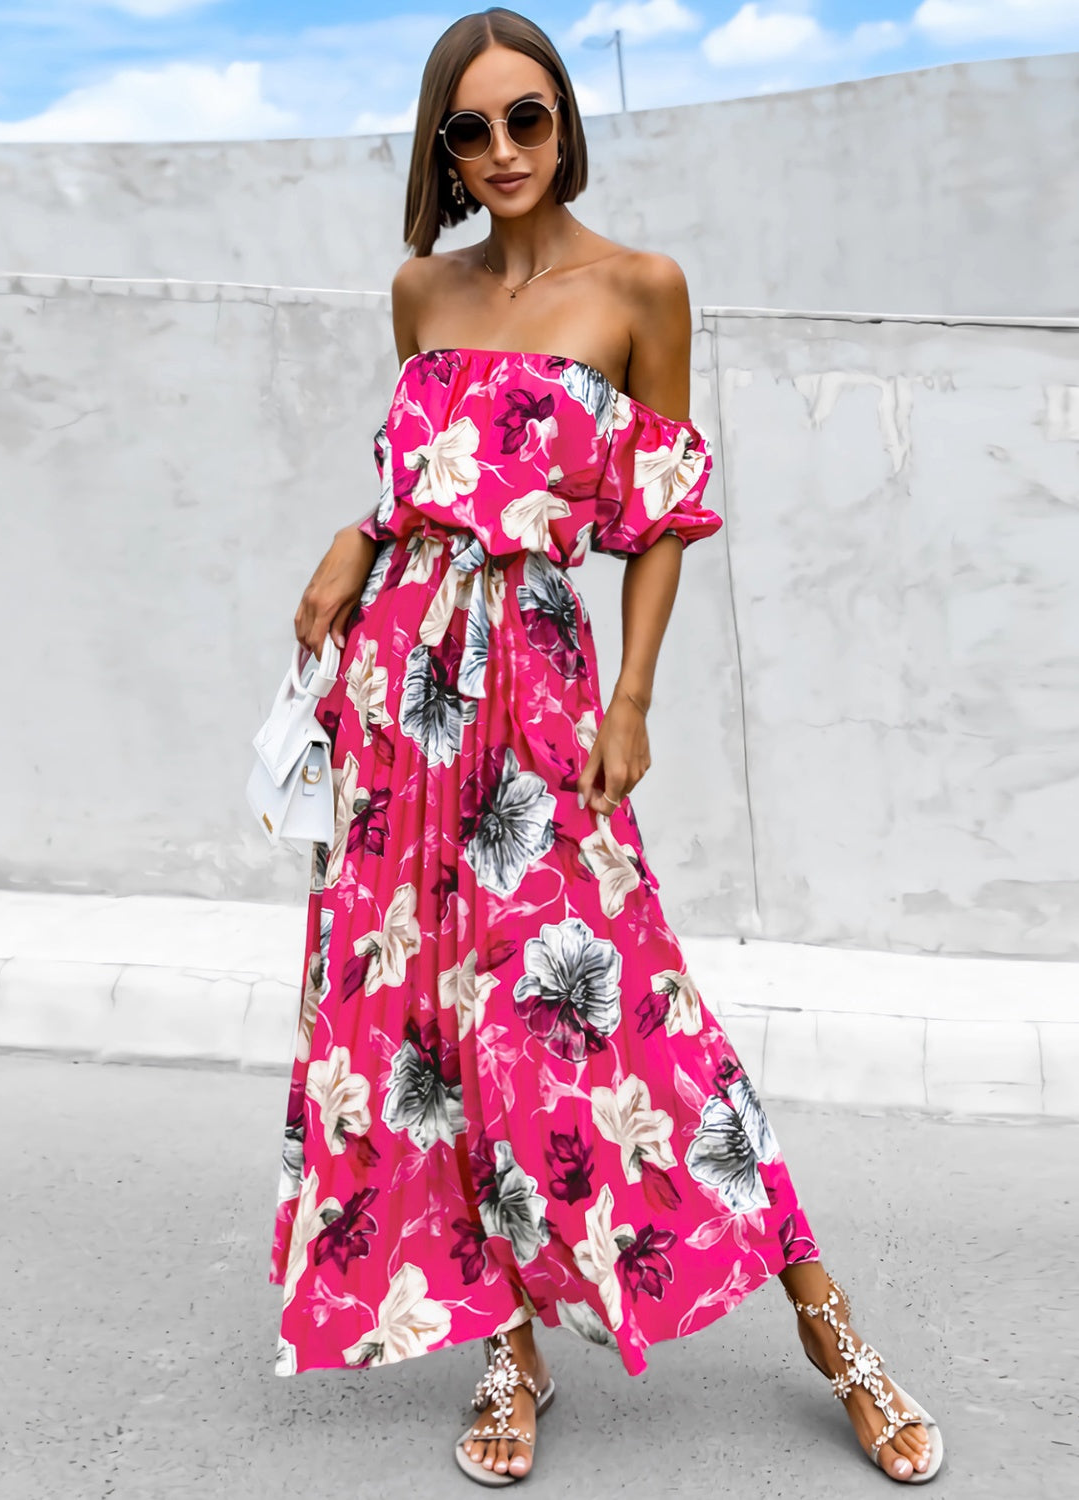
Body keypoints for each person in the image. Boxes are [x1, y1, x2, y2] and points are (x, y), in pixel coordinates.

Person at [270, 6, 942, 1488]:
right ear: (442, 149)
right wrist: (354, 534)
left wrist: (632, 697)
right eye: (471, 128)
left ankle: (830, 1329)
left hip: (541, 684)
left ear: (566, 122)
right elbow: (425, 480)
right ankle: (508, 1350)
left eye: (528, 117)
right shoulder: (421, 289)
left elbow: (661, 517)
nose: (503, 148)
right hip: (400, 697)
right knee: (437, 1031)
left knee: (628, 1005)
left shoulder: (640, 288)